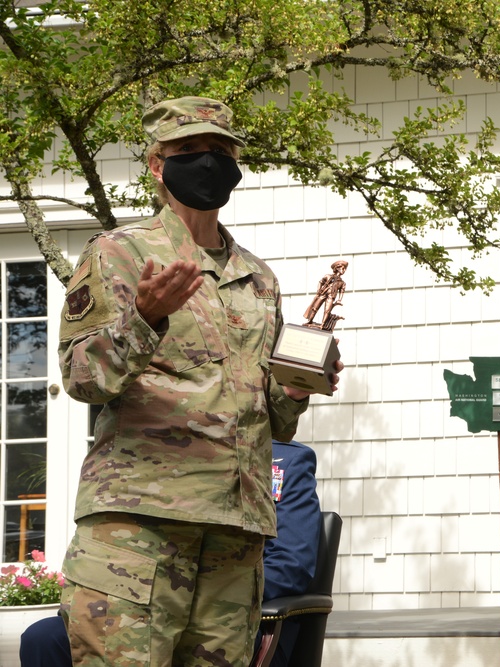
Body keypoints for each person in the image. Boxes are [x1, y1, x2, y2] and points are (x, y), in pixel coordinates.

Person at [56, 96, 341, 667]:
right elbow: (82, 377)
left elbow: (265, 413)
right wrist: (146, 319)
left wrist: (293, 391)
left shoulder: (258, 278)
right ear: (157, 165)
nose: (207, 162)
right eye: (188, 150)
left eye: (219, 150)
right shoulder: (120, 253)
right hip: (139, 530)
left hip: (235, 531)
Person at [20, 440, 322, 667]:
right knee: (44, 638)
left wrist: (190, 598)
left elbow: (291, 564)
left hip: (233, 613)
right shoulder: (157, 453)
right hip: (147, 600)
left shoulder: (283, 461)